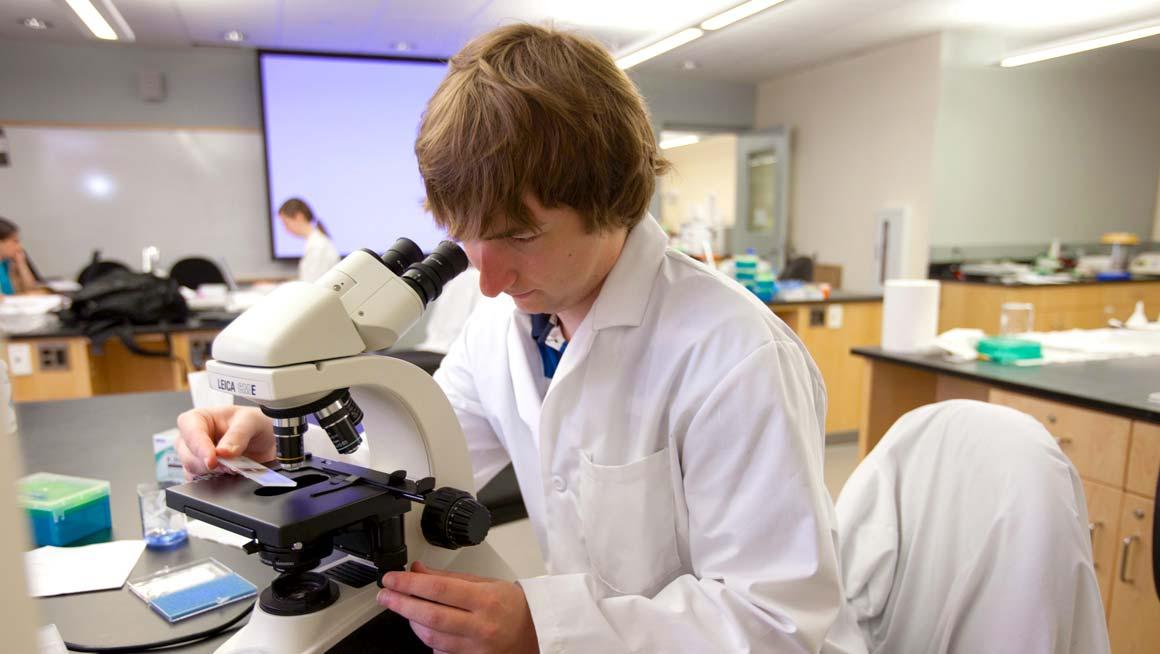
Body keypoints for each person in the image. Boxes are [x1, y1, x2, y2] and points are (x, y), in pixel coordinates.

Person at [177, 24, 865, 654]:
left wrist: (545, 627)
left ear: (613, 199)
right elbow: (416, 457)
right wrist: (277, 440)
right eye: (468, 237)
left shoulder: (733, 355)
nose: (489, 279)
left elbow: (776, 624)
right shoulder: (503, 331)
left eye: (521, 236)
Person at [277, 198, 340, 282]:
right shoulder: (315, 243)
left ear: (299, 217)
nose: (286, 229)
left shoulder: (318, 246)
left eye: (286, 223)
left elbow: (313, 284)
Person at [0, 218, 41, 295]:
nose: (19, 247)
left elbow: (30, 290)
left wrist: (21, 264)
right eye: (15, 242)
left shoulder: (7, 263)